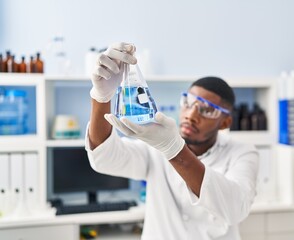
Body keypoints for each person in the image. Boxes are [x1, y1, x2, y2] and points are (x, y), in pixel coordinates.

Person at [85, 42, 259, 240]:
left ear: (225, 122)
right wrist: (101, 97)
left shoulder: (242, 152)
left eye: (207, 110)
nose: (191, 115)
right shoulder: (155, 147)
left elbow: (236, 208)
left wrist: (174, 149)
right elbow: (104, 158)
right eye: (188, 103)